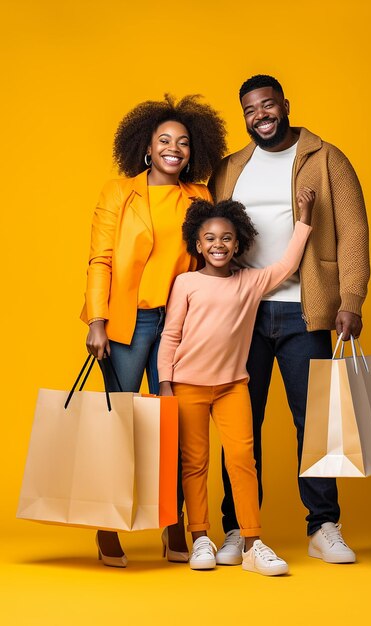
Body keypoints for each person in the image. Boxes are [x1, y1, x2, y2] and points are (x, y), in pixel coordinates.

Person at [209, 74, 370, 565]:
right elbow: (211, 231)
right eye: (251, 110)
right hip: (242, 314)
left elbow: (355, 231)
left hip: (306, 310)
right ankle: (237, 528)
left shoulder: (327, 158)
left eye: (268, 105)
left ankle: (323, 526)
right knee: (240, 424)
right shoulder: (232, 166)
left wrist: (352, 299)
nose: (261, 115)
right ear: (245, 116)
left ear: (284, 105)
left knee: (315, 424)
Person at [81, 94, 226, 567]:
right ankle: (108, 525)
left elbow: (212, 257)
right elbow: (101, 258)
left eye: (183, 143)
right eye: (165, 140)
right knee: (120, 427)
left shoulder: (199, 196)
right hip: (129, 323)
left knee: (174, 426)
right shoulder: (117, 193)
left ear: (193, 151)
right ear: (146, 146)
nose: (174, 149)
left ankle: (174, 526)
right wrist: (98, 321)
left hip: (180, 325)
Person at [157, 189, 313, 575]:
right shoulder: (186, 283)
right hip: (187, 386)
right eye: (209, 238)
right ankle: (200, 540)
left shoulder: (250, 282)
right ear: (197, 243)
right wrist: (165, 382)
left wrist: (305, 220)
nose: (218, 245)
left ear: (239, 242)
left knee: (243, 460)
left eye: (226, 238)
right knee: (194, 464)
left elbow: (288, 266)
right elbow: (170, 336)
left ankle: (252, 543)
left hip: (232, 387)